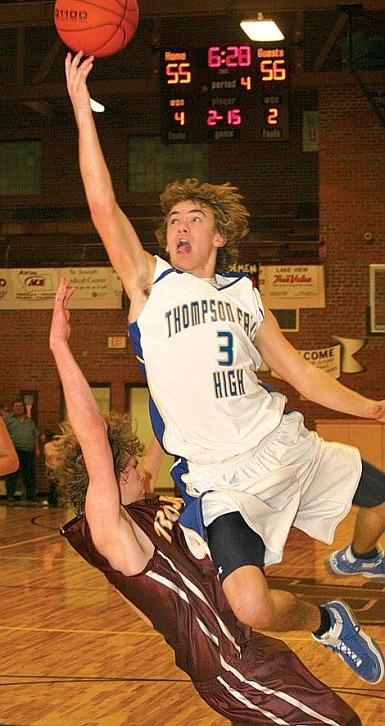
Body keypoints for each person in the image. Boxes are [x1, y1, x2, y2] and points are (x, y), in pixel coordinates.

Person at [65, 51, 385, 684]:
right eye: (174, 220)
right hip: (220, 476)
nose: (180, 227)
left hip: (282, 442)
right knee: (251, 605)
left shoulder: (245, 294)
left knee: (381, 501)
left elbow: (297, 372)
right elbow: (104, 207)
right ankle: (330, 622)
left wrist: (370, 407)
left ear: (219, 236)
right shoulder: (150, 283)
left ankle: (359, 557)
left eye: (195, 218)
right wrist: (82, 108)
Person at [50, 277, 360, 726]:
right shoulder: (110, 531)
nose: (142, 469)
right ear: (108, 480)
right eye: (130, 467)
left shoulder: (143, 509)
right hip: (231, 667)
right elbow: (92, 433)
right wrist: (61, 346)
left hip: (250, 645)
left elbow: (170, 424)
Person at [4, 398, 39, 502]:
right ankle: (10, 495)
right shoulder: (8, 420)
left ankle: (31, 496)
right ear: (13, 408)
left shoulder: (29, 421)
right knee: (11, 474)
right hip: (14, 451)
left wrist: (37, 448)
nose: (19, 408)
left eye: (20, 406)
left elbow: (35, 435)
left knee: (29, 474)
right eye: (17, 406)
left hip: (28, 451)